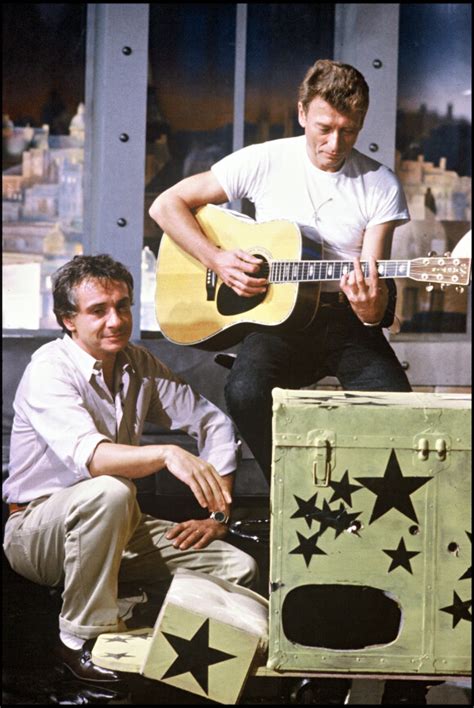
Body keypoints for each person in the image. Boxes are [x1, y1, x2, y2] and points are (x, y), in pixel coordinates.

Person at [149, 59, 434, 705]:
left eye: (348, 130)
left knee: (397, 408)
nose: (335, 144)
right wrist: (218, 257)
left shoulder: (379, 183)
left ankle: (380, 532)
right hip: (276, 323)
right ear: (304, 114)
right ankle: (300, 505)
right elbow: (167, 205)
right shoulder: (261, 161)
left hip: (342, 322)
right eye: (324, 128)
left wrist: (369, 305)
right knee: (245, 392)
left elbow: (378, 299)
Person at [3, 254, 257, 690]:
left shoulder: (137, 363)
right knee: (112, 489)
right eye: (98, 310)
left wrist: (218, 514)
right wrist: (167, 455)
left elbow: (211, 422)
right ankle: (75, 641)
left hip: (119, 526)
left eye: (123, 306)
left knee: (236, 566)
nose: (115, 320)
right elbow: (94, 458)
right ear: (68, 320)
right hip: (36, 532)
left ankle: (135, 615)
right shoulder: (49, 369)